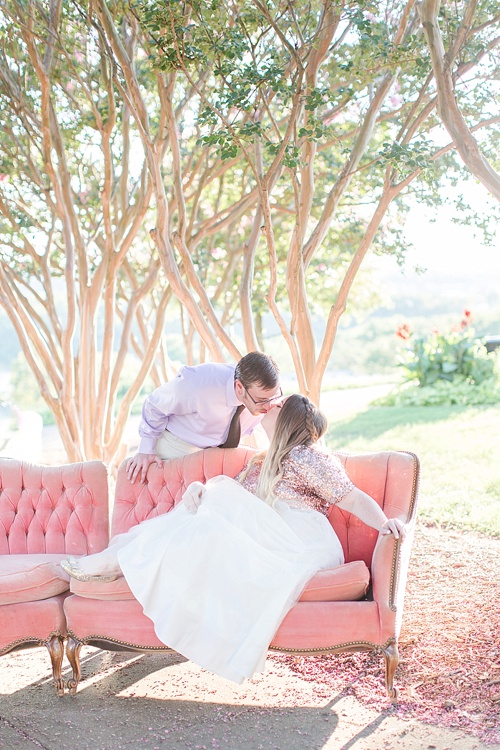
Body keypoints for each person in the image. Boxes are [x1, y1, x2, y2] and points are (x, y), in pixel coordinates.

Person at [61, 395, 406, 685]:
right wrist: (199, 489)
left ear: (287, 419)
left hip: (298, 538)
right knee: (207, 507)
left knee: (213, 509)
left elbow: (353, 497)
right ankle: (120, 554)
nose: (266, 407)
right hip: (263, 532)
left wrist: (385, 522)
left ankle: (118, 558)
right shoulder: (260, 462)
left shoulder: (308, 455)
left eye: (275, 404)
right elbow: (231, 499)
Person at [127, 351, 282, 483]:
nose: (268, 406)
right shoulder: (200, 384)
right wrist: (146, 449)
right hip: (177, 446)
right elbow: (155, 404)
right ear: (239, 387)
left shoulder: (264, 396)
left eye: (273, 397)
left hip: (216, 455)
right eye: (261, 400)